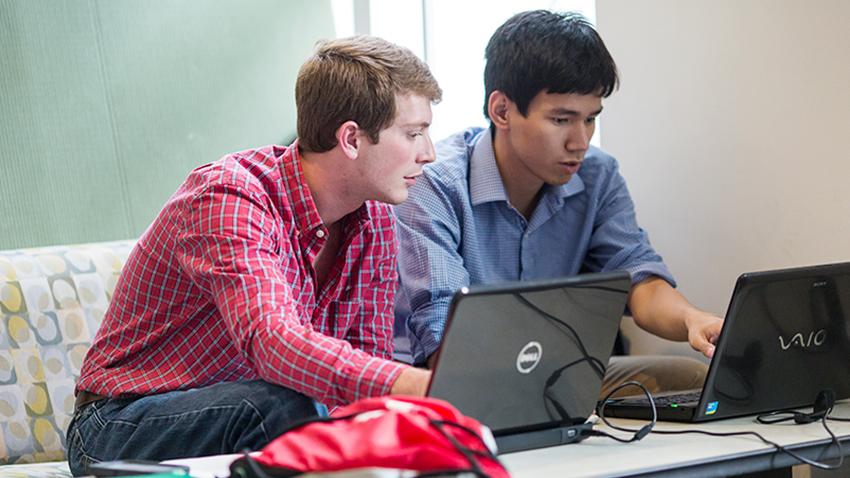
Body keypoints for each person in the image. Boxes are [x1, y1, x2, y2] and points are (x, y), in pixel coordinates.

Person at [66, 36, 440, 476]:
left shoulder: (374, 217)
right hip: (116, 427)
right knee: (279, 404)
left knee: (375, 421)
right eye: (414, 134)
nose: (429, 153)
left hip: (258, 409)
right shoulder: (229, 197)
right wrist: (414, 384)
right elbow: (271, 342)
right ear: (352, 138)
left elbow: (367, 362)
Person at [394, 10, 722, 398]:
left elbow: (639, 278)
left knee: (690, 378)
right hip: (446, 379)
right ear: (502, 111)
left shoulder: (597, 175)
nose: (580, 141)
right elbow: (443, 337)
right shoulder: (435, 183)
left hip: (551, 370)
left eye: (590, 119)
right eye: (562, 120)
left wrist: (690, 319)